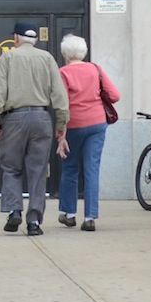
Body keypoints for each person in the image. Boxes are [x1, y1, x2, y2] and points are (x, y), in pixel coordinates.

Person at [0, 21, 68, 236]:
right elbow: (59, 95)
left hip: (14, 118)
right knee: (38, 171)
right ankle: (34, 222)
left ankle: (14, 210)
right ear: (35, 40)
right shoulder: (47, 58)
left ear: (16, 38)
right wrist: (61, 124)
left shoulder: (8, 57)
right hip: (41, 117)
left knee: (11, 167)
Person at [56, 35, 120, 231]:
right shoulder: (95, 69)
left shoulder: (63, 73)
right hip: (97, 123)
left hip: (74, 124)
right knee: (92, 169)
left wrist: (61, 135)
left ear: (65, 53)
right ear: (83, 51)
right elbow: (115, 96)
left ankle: (69, 213)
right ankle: (90, 217)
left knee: (70, 167)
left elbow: (62, 106)